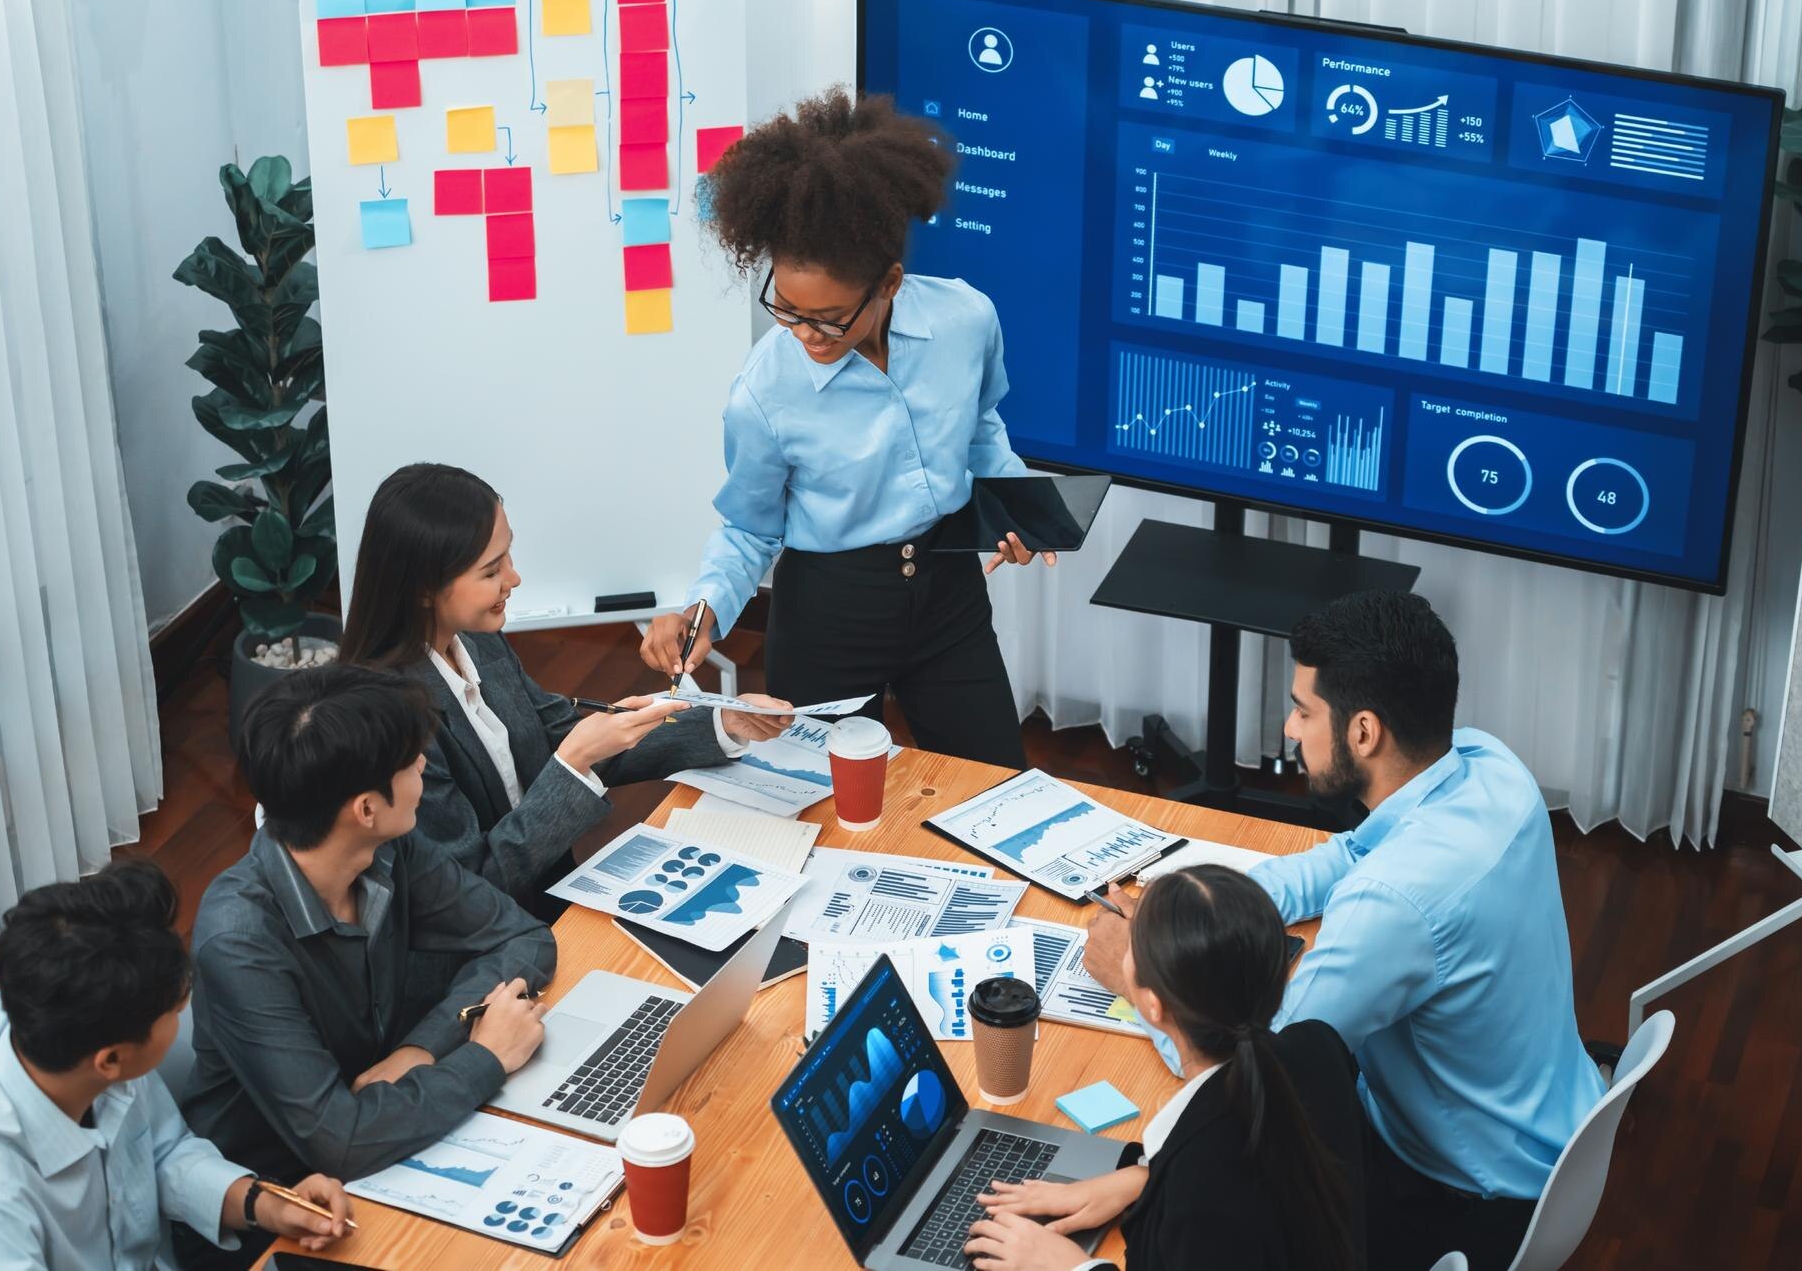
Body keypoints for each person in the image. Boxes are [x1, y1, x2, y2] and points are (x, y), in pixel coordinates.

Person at [1084, 591, 1605, 1271]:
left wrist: (1144, 971)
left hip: (1462, 1200)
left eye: (1304, 710)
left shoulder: (1391, 906)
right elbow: (1356, 851)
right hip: (1552, 1128)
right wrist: (1211, 906)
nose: (1290, 729)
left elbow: (1253, 1068)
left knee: (1191, 1208)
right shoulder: (1489, 765)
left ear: (1363, 732)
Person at [638, 88, 1052, 770]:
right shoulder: (764, 392)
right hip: (829, 613)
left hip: (949, 595)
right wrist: (703, 611)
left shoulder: (966, 321)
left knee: (994, 785)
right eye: (787, 309)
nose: (805, 334)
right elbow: (749, 528)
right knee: (822, 807)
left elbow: (980, 426)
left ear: (888, 283)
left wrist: (1014, 500)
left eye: (828, 317)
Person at [339, 462, 793, 913]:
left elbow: (559, 733)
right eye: (491, 571)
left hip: (549, 903)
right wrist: (573, 762)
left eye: (508, 557)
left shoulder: (478, 639)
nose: (514, 580)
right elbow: (470, 886)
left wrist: (722, 719)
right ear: (422, 589)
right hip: (485, 949)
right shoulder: (389, 723)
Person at [183, 664, 558, 1184]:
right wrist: (485, 1056)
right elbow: (341, 1142)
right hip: (290, 1198)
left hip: (392, 1127)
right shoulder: (240, 942)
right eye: (410, 762)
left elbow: (522, 935)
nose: (424, 764)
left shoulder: (386, 845)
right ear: (365, 809)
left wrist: (419, 1049)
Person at [963, 865, 1363, 1271]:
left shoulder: (1197, 1195)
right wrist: (1143, 1178)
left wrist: (1068, 1267)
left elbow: (1224, 1190)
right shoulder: (1317, 1046)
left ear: (1152, 1006)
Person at [0, 859, 352, 1269]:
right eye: (177, 1010)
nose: (187, 1013)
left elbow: (162, 1151)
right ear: (110, 1061)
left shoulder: (66, 1017)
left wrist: (267, 1204)